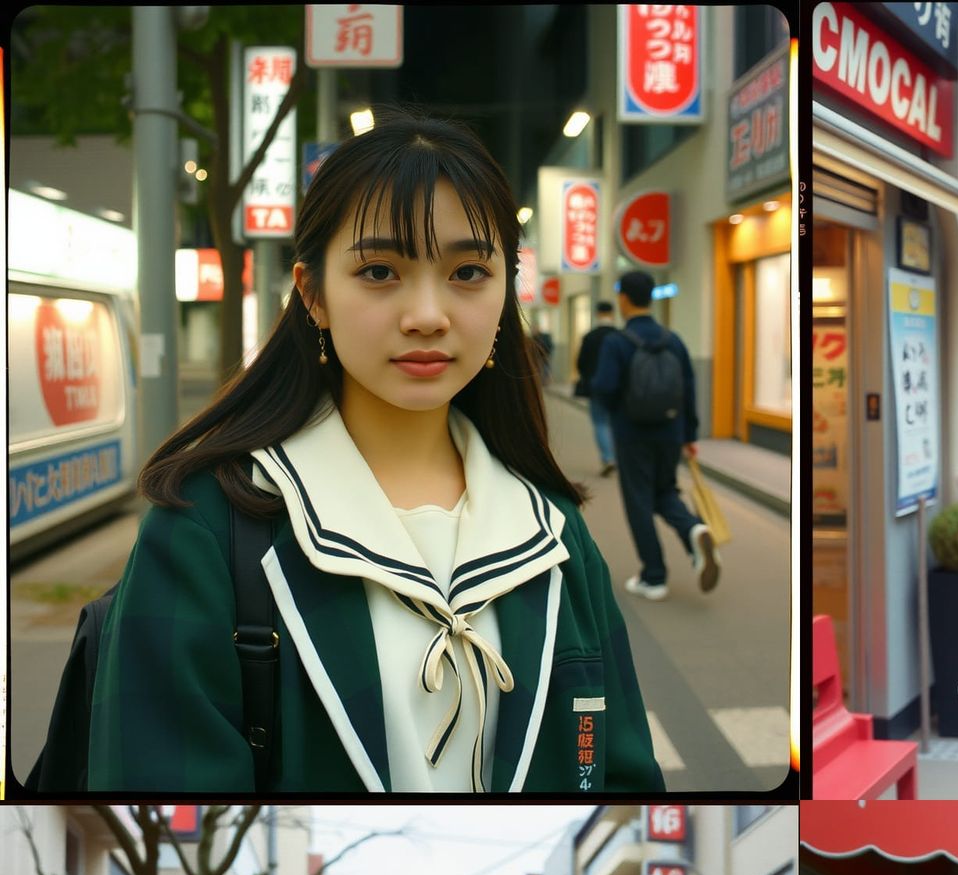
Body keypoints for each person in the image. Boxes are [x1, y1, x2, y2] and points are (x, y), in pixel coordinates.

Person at [87, 106, 661, 795]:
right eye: (381, 271)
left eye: (469, 272)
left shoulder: (557, 532)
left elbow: (623, 774)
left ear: (507, 290)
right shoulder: (204, 530)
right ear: (313, 295)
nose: (427, 313)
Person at [590, 268, 719, 601]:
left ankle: (654, 576)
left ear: (623, 299)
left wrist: (619, 404)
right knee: (664, 491)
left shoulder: (617, 342)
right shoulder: (672, 340)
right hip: (671, 431)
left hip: (632, 434)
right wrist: (689, 434)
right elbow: (689, 389)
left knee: (638, 502)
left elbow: (603, 388)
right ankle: (694, 528)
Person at [573, 302, 624, 477]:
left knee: (600, 423)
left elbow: (581, 362)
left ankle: (608, 458)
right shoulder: (620, 336)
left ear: (597, 314)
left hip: (596, 388)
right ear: (612, 313)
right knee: (616, 423)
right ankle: (618, 457)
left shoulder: (590, 337)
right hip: (619, 389)